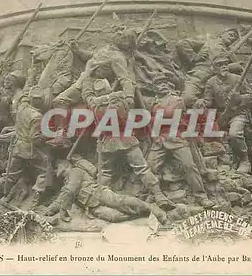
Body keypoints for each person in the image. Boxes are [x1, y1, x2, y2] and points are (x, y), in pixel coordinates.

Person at [81, 77, 176, 211]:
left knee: (105, 173)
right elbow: (129, 88)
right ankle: (159, 196)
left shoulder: (94, 105)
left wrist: (88, 76)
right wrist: (127, 81)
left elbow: (87, 94)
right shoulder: (122, 101)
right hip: (127, 140)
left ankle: (100, 197)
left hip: (108, 143)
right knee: (143, 169)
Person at [146, 74, 214, 208]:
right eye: (159, 84)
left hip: (177, 138)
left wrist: (156, 114)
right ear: (155, 88)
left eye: (165, 83)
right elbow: (150, 123)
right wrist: (155, 136)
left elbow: (169, 114)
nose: (163, 85)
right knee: (150, 166)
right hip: (160, 139)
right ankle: (153, 194)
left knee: (189, 165)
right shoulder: (152, 103)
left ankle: (201, 196)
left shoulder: (177, 100)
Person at [45, 155, 168, 224]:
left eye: (57, 168)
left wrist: (63, 210)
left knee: (122, 202)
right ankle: (143, 214)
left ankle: (152, 209)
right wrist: (49, 211)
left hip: (99, 194)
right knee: (115, 217)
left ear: (65, 165)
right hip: (92, 207)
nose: (55, 171)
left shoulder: (75, 172)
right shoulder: (65, 185)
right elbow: (61, 198)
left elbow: (71, 191)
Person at [195, 56, 252, 174]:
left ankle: (245, 160)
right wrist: (201, 102)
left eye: (225, 64)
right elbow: (208, 101)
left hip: (238, 113)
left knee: (234, 134)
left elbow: (251, 97)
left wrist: (239, 98)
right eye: (220, 65)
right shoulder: (211, 82)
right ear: (215, 68)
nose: (224, 67)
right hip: (222, 114)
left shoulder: (237, 79)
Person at [178, 28, 239, 107]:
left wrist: (233, 67)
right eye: (231, 35)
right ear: (221, 34)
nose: (232, 38)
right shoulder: (207, 41)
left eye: (234, 39)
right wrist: (194, 57)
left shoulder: (231, 54)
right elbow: (182, 43)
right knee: (187, 99)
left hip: (216, 84)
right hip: (199, 77)